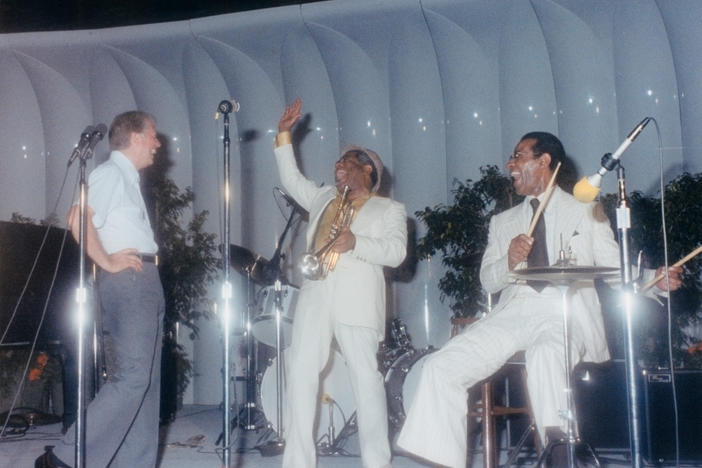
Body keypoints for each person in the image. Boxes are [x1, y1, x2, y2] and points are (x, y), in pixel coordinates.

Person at [397, 131, 682, 467]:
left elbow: (612, 268)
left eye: (518, 156)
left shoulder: (585, 208)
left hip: (563, 312)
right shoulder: (502, 222)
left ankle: (559, 454)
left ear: (544, 161)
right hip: (512, 313)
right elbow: (488, 282)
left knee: (546, 354)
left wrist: (654, 280)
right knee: (439, 367)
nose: (510, 164)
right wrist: (509, 259)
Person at [273, 98, 407, 468]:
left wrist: (357, 243)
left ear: (367, 169)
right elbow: (290, 178)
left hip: (358, 299)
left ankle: (377, 462)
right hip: (316, 291)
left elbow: (396, 252)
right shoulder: (321, 197)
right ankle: (298, 462)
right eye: (337, 162)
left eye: (346, 162)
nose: (338, 166)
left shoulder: (389, 210)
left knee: (366, 379)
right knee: (300, 371)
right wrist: (284, 134)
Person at [35, 111, 164, 468]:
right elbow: (77, 219)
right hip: (130, 281)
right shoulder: (110, 173)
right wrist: (107, 261)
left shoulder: (127, 179)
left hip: (145, 279)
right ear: (136, 137)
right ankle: (62, 458)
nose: (158, 143)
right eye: (153, 135)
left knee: (147, 384)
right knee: (133, 377)